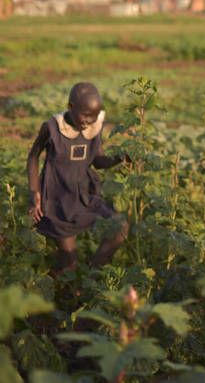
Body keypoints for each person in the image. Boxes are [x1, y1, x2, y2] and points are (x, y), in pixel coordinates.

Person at [26, 82, 129, 275]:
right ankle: (53, 291)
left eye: (94, 116)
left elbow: (98, 161)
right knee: (69, 264)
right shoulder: (52, 128)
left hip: (84, 197)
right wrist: (34, 194)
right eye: (85, 115)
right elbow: (33, 158)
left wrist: (119, 158)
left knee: (119, 227)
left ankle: (95, 274)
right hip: (56, 202)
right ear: (71, 107)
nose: (89, 121)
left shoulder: (94, 126)